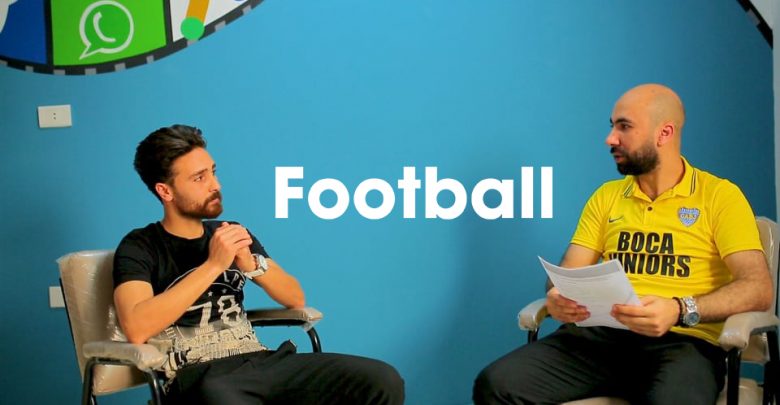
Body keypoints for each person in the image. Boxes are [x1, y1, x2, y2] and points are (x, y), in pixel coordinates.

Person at [473, 84, 773, 404]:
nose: (610, 138)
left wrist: (679, 309)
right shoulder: (607, 197)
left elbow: (758, 288)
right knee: (496, 384)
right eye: (612, 126)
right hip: (597, 340)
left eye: (624, 127)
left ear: (664, 133)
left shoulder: (720, 197)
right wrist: (558, 296)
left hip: (682, 343)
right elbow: (567, 273)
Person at [113, 124, 405, 405]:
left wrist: (250, 263)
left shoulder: (231, 232)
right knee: (221, 396)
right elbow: (137, 328)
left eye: (213, 172)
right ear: (165, 191)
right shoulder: (140, 246)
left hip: (258, 361)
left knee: (382, 379)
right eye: (199, 178)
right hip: (197, 377)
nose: (216, 185)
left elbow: (295, 298)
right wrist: (213, 265)